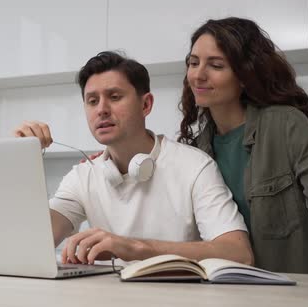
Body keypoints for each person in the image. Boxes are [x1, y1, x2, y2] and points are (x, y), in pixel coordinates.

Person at [14, 51, 253, 265]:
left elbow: (238, 253)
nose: (102, 109)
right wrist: (21, 163)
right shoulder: (83, 175)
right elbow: (33, 241)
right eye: (92, 101)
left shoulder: (194, 166)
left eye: (115, 97)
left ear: (146, 104)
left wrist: (134, 248)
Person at [178, 17, 308, 275]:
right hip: (242, 293)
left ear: (244, 75)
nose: (198, 75)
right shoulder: (197, 151)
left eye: (216, 65)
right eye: (193, 62)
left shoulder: (286, 124)